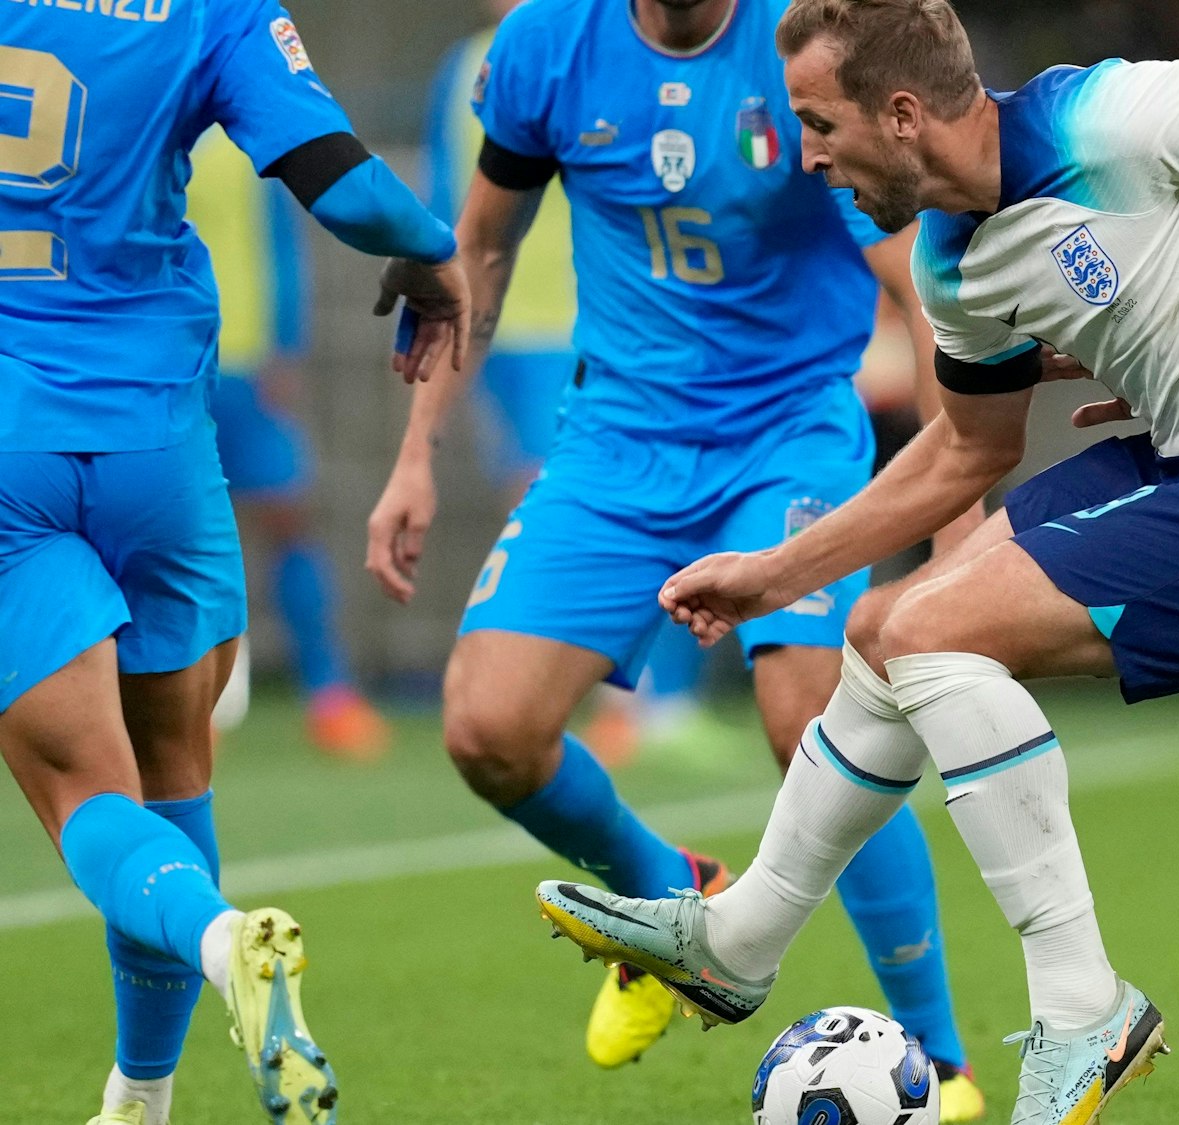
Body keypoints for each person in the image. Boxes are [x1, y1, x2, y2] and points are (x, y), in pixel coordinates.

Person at [530, 1, 1179, 1121]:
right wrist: (776, 575)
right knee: (881, 634)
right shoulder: (951, 264)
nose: (807, 154)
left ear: (898, 112)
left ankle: (1083, 1010)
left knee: (931, 635)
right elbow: (962, 452)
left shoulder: (1112, 116)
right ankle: (736, 947)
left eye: (818, 123)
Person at [366, 0, 984, 1113]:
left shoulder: (805, 50)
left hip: (785, 434)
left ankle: (938, 1062)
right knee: (488, 732)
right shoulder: (543, 47)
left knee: (809, 718)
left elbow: (921, 277)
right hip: (614, 443)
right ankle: (669, 894)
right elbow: (483, 247)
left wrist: (956, 513)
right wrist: (418, 453)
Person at [0, 3, 468, 1124]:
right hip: (159, 439)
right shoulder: (210, 10)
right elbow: (342, 185)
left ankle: (222, 942)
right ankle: (140, 1102)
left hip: (9, 441)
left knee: (85, 798)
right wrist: (433, 248)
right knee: (175, 781)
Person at [422, 0, 711, 765]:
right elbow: (453, 206)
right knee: (546, 498)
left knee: (638, 497)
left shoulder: (605, 48)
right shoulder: (469, 68)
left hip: (596, 322)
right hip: (508, 329)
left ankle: (654, 698)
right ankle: (624, 693)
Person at [187, 129, 391, 760]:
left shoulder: (238, 127)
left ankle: (329, 693)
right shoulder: (130, 106)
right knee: (170, 534)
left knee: (287, 519)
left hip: (246, 363)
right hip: (164, 362)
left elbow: (282, 238)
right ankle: (186, 704)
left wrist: (287, 341)